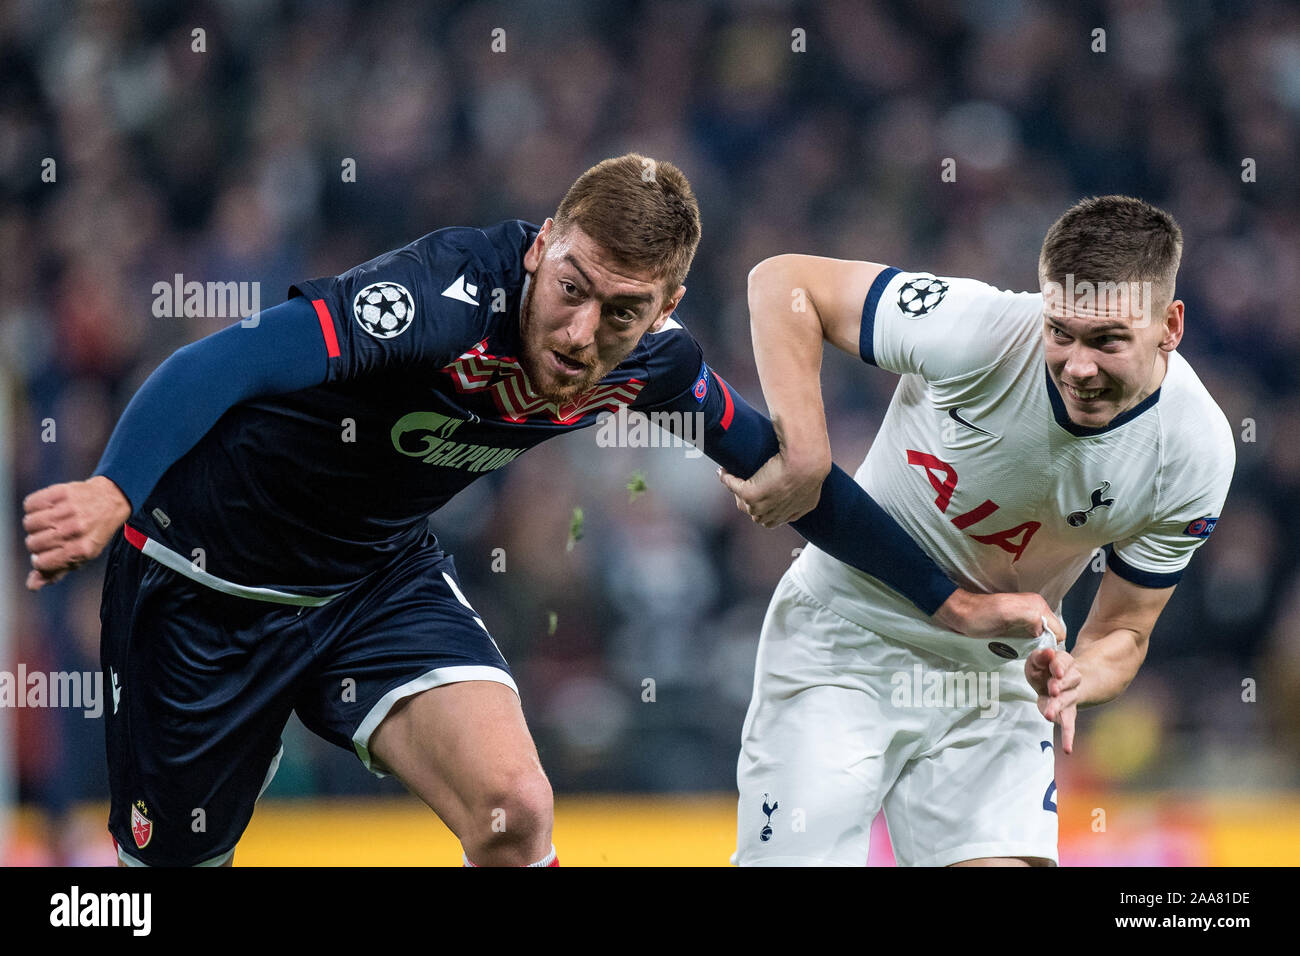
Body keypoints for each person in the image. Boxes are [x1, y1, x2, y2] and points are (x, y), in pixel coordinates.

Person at [22, 154, 1058, 867]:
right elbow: (231, 356)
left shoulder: (651, 365)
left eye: (623, 310)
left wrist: (953, 601)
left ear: (665, 308)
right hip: (208, 581)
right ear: (544, 244)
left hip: (371, 582)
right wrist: (115, 484)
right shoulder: (435, 300)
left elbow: (798, 481)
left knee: (516, 813)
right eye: (572, 287)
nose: (581, 330)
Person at [725, 195, 1235, 867]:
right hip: (843, 641)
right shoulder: (979, 328)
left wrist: (1076, 676)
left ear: (1169, 325)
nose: (1078, 366)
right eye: (1061, 332)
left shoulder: (1195, 452)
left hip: (995, 681)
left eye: (1108, 341)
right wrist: (808, 456)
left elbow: (1125, 630)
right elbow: (784, 283)